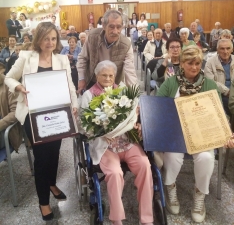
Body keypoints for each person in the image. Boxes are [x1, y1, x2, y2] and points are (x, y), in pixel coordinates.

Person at [5, 22, 78, 221]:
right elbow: (8, 78)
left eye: (53, 38)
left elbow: (70, 86)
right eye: (46, 38)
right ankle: (43, 201)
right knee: (42, 156)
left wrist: (75, 105)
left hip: (57, 113)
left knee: (54, 153)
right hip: (33, 113)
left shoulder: (62, 59)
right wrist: (19, 87)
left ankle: (51, 183)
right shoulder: (26, 57)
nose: (50, 42)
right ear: (38, 39)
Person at [80, 60, 153, 225]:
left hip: (127, 142)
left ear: (115, 76)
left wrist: (138, 124)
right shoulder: (89, 95)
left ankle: (147, 218)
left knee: (145, 166)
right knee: (115, 173)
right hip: (106, 147)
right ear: (97, 76)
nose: (107, 78)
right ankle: (116, 218)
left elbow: (135, 115)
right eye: (104, 75)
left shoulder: (124, 92)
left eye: (110, 75)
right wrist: (101, 133)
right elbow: (83, 126)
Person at [157, 46, 221, 223]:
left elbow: (218, 113)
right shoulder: (171, 82)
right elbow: (158, 105)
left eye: (198, 63)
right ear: (182, 64)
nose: (194, 67)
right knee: (172, 156)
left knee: (206, 158)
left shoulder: (209, 84)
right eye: (190, 63)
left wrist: (226, 134)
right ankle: (170, 188)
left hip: (201, 134)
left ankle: (199, 196)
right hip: (176, 133)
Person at [77, 9, 137, 92]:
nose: (115, 31)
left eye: (119, 27)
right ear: (104, 26)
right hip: (92, 81)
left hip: (113, 85)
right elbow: (82, 58)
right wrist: (81, 78)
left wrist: (134, 95)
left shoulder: (126, 44)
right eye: (111, 27)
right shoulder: (92, 37)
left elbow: (130, 72)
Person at [204, 39, 234, 117]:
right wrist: (227, 92)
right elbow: (210, 82)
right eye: (222, 48)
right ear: (217, 50)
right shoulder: (210, 62)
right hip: (220, 94)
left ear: (232, 49)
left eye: (228, 48)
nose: (225, 51)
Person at [0, 62, 22, 152]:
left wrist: (1, 124)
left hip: (4, 128)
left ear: (1, 69)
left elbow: (16, 112)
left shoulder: (9, 85)